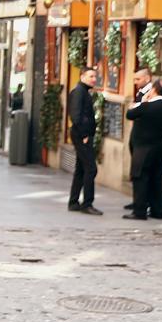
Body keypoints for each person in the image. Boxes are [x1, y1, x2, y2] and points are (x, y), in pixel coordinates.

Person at [124, 78, 162, 221]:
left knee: (140, 178)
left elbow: (129, 114)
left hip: (143, 149)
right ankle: (158, 211)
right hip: (159, 149)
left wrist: (143, 100)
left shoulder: (146, 106)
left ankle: (139, 211)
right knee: (157, 180)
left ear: (153, 90)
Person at [67, 68, 102, 215]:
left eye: (95, 76)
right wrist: (84, 134)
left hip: (83, 135)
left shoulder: (83, 91)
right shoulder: (79, 92)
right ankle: (87, 204)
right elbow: (76, 116)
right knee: (91, 168)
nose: (94, 79)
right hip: (82, 135)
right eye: (91, 76)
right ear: (82, 77)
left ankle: (73, 202)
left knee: (81, 169)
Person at [123, 68, 154, 212]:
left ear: (147, 78)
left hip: (145, 139)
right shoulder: (140, 92)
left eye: (138, 79)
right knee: (136, 171)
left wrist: (135, 108)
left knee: (141, 172)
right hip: (136, 135)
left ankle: (142, 203)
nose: (135, 82)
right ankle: (137, 201)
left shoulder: (151, 93)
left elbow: (136, 112)